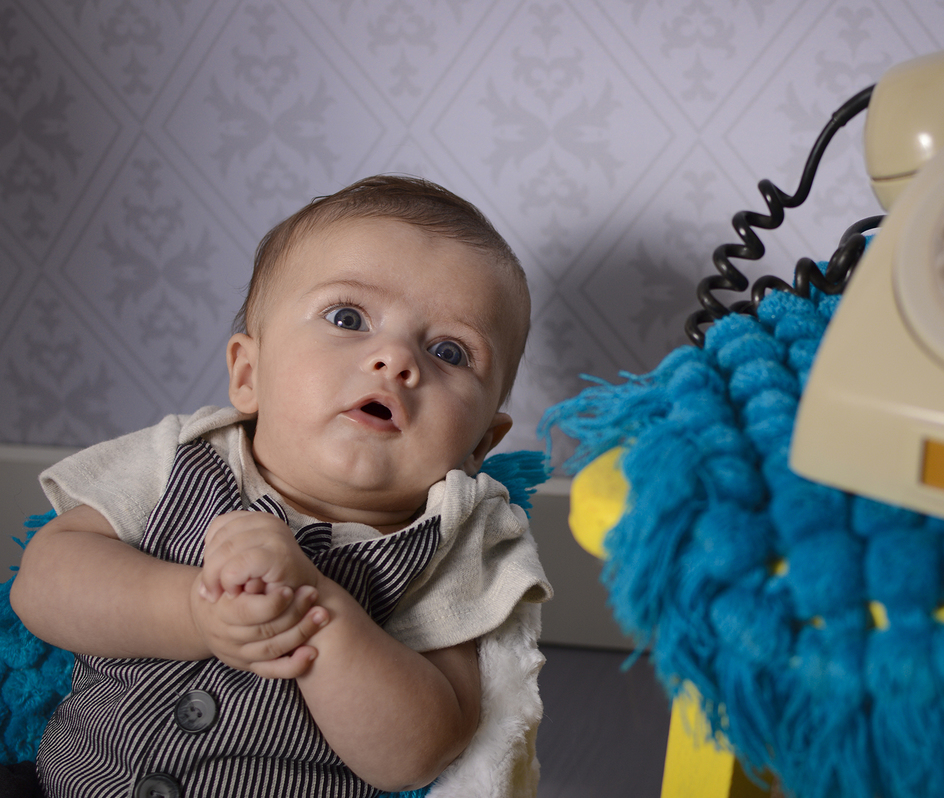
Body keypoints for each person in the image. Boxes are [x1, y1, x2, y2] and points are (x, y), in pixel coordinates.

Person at [9, 175, 551, 798]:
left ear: (481, 444)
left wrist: (316, 612)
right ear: (248, 373)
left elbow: (423, 750)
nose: (396, 360)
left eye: (451, 352)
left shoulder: (455, 539)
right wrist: (192, 611)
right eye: (348, 317)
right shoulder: (179, 456)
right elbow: (45, 581)